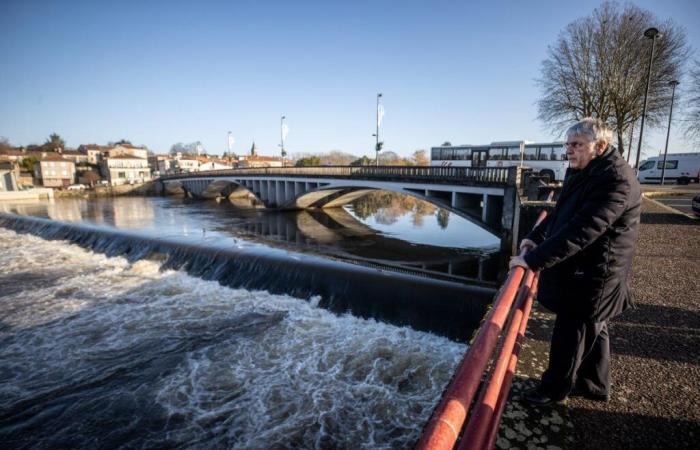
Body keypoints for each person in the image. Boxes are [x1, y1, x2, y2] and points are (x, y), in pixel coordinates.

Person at [509, 117, 642, 405]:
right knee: (596, 325)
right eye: (567, 144)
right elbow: (561, 215)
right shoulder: (586, 170)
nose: (568, 150)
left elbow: (582, 230)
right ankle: (595, 385)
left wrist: (532, 261)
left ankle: (552, 391)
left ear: (600, 146)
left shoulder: (615, 180)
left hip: (596, 273)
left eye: (577, 145)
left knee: (572, 332)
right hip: (588, 269)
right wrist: (535, 236)